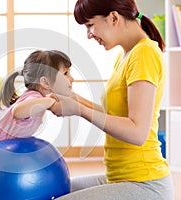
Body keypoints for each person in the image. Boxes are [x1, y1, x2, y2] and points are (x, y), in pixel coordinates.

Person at [51, 0, 174, 199]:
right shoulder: (127, 55)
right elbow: (115, 115)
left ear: (114, 17)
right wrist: (74, 99)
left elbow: (137, 132)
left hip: (144, 183)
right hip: (120, 177)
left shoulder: (144, 54)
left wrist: (80, 110)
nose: (89, 35)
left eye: (90, 25)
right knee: (53, 189)